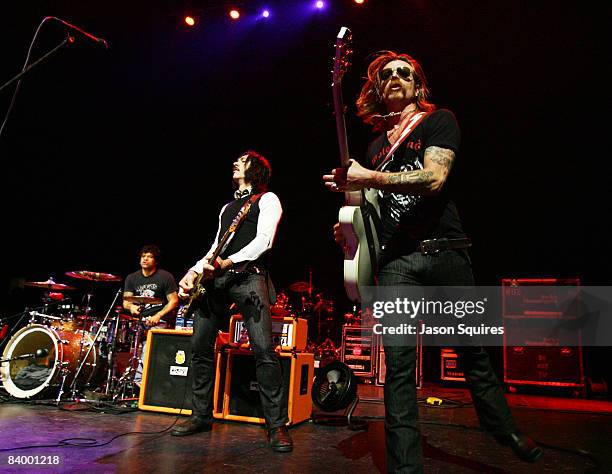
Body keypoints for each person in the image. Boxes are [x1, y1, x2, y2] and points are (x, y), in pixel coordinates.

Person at [323, 51, 542, 473]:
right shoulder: (374, 148)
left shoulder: (438, 121)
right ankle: (407, 469)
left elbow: (434, 178)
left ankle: (503, 428)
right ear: (376, 89)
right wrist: (350, 229)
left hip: (447, 253)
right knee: (399, 367)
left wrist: (371, 177)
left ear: (417, 85)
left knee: (471, 351)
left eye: (404, 73)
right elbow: (376, 211)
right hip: (398, 263)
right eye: (386, 74)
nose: (395, 78)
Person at [171, 151, 293, 453]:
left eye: (243, 159)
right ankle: (201, 415)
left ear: (256, 170)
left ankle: (277, 425)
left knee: (264, 350)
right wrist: (193, 271)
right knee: (200, 348)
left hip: (249, 277)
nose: (235, 162)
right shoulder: (228, 207)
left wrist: (229, 262)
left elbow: (264, 240)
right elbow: (216, 246)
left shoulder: (268, 199)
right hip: (216, 280)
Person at [123, 244, 179, 386]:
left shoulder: (165, 277)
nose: (145, 259)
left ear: (156, 260)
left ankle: (141, 384)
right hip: (139, 322)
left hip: (158, 322)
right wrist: (132, 307)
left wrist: (158, 315)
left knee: (148, 352)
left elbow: (173, 301)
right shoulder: (132, 278)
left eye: (149, 257)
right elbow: (126, 301)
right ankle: (133, 383)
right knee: (133, 351)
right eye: (143, 256)